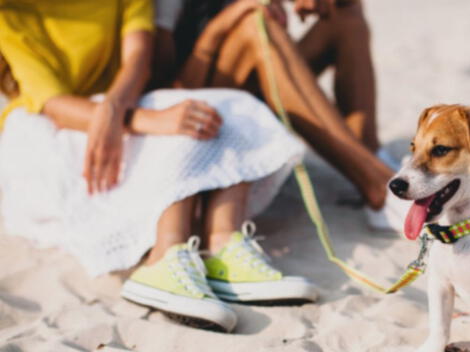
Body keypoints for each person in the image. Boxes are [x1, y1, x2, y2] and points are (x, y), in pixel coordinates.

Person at [0, 0, 316, 333]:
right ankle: (164, 259)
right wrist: (144, 119)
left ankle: (224, 245)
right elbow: (53, 103)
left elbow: (138, 59)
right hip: (52, 127)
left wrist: (117, 107)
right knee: (175, 126)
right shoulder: (9, 10)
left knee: (221, 108)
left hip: (120, 104)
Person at [153, 0, 410, 231]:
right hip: (196, 104)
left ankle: (370, 157)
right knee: (254, 23)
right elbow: (170, 92)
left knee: (345, 13)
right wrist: (223, 23)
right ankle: (377, 186)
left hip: (258, 82)